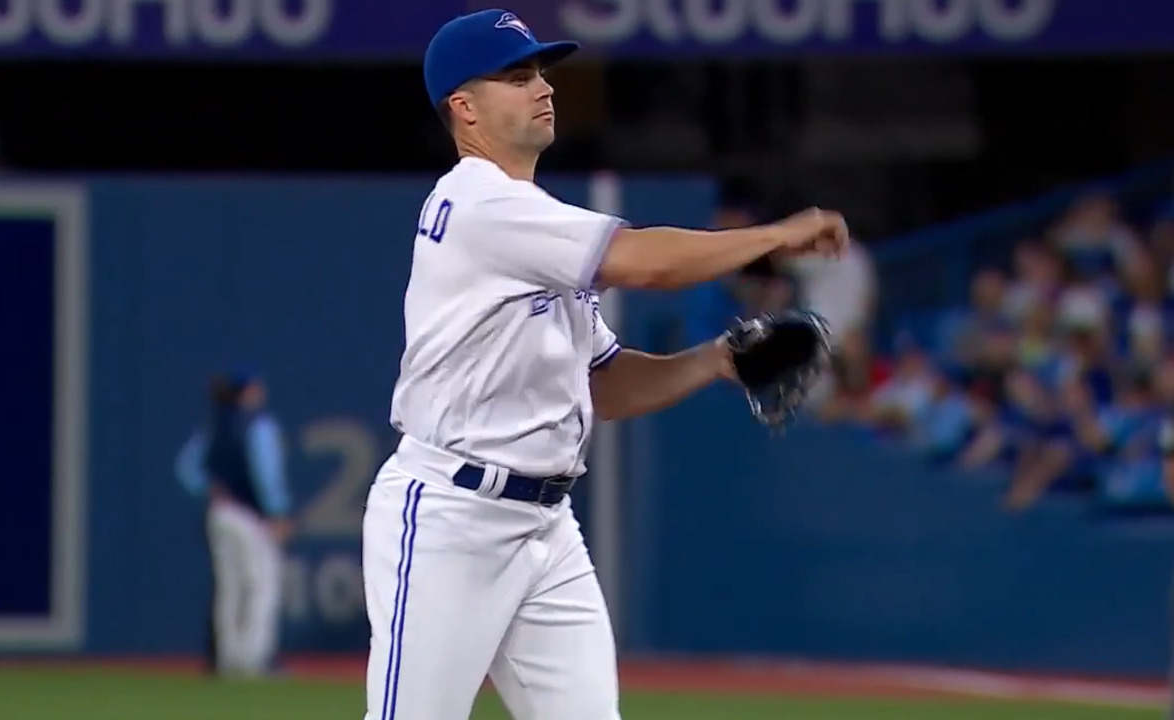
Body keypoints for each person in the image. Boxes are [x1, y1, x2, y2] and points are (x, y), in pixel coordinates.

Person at [360, 9, 849, 720]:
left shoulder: (532, 222)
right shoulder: (481, 204)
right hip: (450, 519)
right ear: (463, 108)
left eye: (542, 72)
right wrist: (774, 236)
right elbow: (646, 263)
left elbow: (604, 384)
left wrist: (714, 361)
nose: (543, 87)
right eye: (517, 75)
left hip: (545, 527)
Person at [174, 368, 292, 679]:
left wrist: (210, 486)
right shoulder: (258, 426)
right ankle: (255, 658)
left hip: (220, 512)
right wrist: (278, 513)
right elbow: (267, 476)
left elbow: (187, 467)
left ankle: (227, 658)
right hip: (250, 515)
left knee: (229, 588)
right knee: (262, 584)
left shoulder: (215, 427)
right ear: (248, 392)